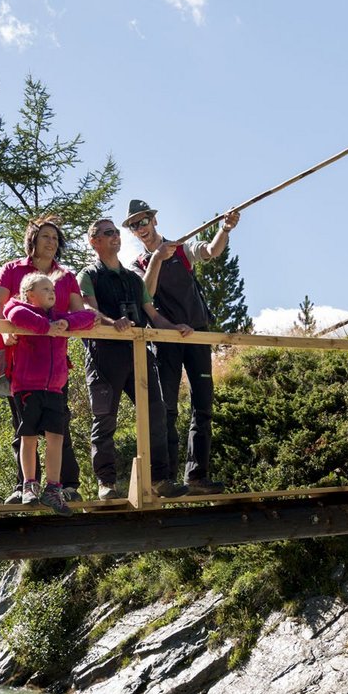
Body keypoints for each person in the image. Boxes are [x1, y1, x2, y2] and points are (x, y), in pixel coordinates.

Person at [124, 199, 241, 494]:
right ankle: (167, 479)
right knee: (168, 409)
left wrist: (224, 229)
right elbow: (146, 295)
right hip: (166, 340)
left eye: (144, 221)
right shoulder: (137, 266)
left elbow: (212, 251)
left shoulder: (182, 249)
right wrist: (157, 260)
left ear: (154, 220)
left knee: (203, 404)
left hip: (198, 334)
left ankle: (197, 476)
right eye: (135, 225)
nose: (141, 228)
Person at [77, 216, 192, 500]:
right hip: (104, 356)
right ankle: (107, 484)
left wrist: (174, 327)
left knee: (157, 413)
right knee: (104, 420)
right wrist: (112, 321)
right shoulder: (88, 275)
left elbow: (152, 315)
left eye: (116, 232)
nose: (115, 236)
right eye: (107, 233)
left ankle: (160, 479)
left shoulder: (132, 278)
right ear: (94, 242)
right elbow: (87, 311)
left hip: (139, 355)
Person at [0, 217, 91, 500]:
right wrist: (3, 332)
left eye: (56, 238)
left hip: (55, 364)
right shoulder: (12, 269)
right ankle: (24, 486)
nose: (51, 242)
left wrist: (64, 325)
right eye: (45, 236)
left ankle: (65, 486)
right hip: (19, 356)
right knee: (22, 424)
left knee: (60, 423)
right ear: (32, 239)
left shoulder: (66, 276)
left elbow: (77, 312)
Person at [2, 272, 97, 513]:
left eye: (53, 289)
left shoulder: (59, 316)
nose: (52, 292)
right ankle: (29, 485)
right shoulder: (22, 309)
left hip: (55, 387)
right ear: (30, 295)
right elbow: (12, 311)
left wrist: (66, 324)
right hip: (27, 387)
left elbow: (88, 316)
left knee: (56, 437)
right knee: (29, 437)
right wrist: (47, 327)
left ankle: (53, 489)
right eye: (45, 289)